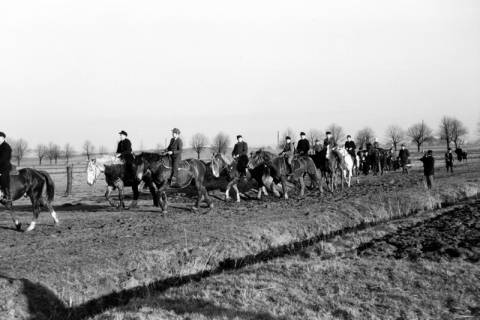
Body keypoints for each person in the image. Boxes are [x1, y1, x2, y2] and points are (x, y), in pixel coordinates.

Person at [0, 132, 12, 206]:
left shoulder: (6, 147)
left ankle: (6, 196)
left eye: (0, 138)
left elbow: (3, 159)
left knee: (2, 177)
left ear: (3, 138)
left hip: (4, 166)